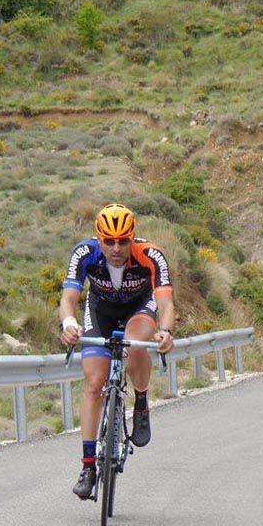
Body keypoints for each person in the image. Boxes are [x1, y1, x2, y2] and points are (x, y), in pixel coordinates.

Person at [59, 203, 175, 499]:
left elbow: (165, 302)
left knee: (135, 344)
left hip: (140, 307)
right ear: (98, 238)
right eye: (109, 241)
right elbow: (69, 298)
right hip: (101, 310)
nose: (116, 248)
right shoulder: (84, 253)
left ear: (132, 237)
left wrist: (165, 330)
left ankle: (141, 401)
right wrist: (69, 324)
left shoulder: (151, 254)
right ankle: (88, 467)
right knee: (95, 383)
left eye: (123, 241)